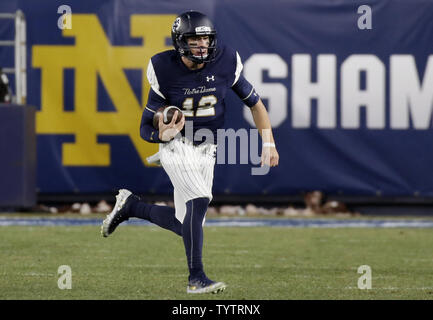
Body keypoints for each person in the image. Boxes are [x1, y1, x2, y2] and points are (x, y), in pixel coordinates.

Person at [101, 10, 279, 294]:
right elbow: (144, 127)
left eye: (206, 40)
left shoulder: (226, 61)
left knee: (185, 223)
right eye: (195, 40)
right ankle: (196, 278)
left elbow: (255, 104)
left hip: (208, 147)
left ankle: (132, 206)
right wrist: (161, 134)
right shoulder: (163, 67)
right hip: (177, 144)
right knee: (200, 199)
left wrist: (268, 142)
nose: (202, 46)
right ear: (180, 42)